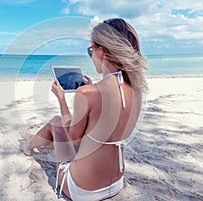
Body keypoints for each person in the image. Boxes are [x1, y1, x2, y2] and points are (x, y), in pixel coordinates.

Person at [19, 18, 148, 201]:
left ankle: (28, 147)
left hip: (83, 190)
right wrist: (94, 87)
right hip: (116, 183)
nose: (91, 55)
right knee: (63, 128)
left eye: (90, 50)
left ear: (101, 50)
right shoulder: (136, 88)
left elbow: (73, 138)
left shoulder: (87, 93)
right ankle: (36, 141)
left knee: (57, 122)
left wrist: (62, 99)